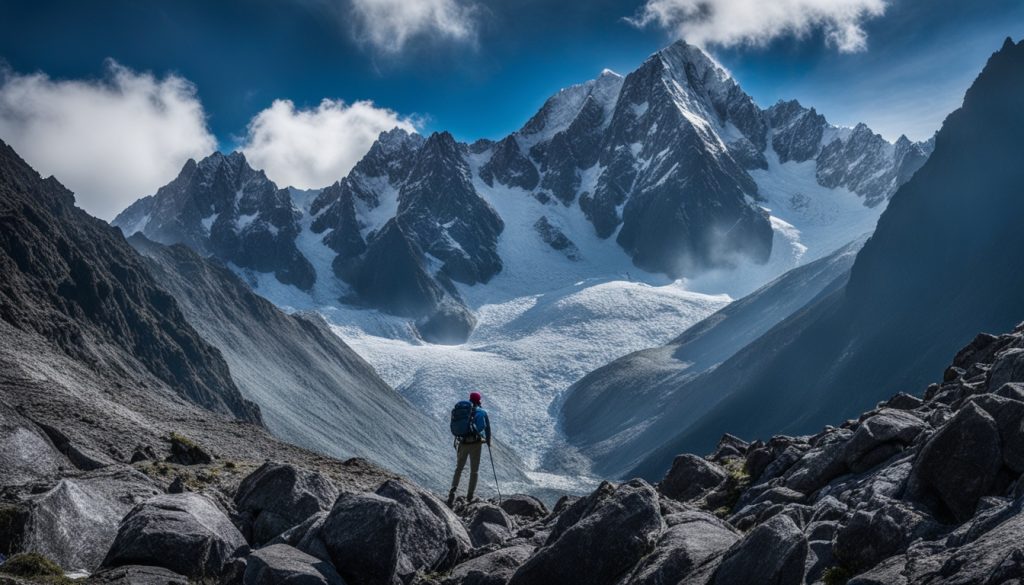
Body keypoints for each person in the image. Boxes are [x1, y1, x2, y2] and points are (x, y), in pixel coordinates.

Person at [447, 391, 491, 507]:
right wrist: (488, 442)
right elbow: (485, 428)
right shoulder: (481, 412)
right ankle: (470, 496)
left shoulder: (463, 410)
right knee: (474, 470)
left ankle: (453, 490)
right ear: (479, 400)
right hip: (475, 444)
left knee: (459, 468)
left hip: (462, 442)